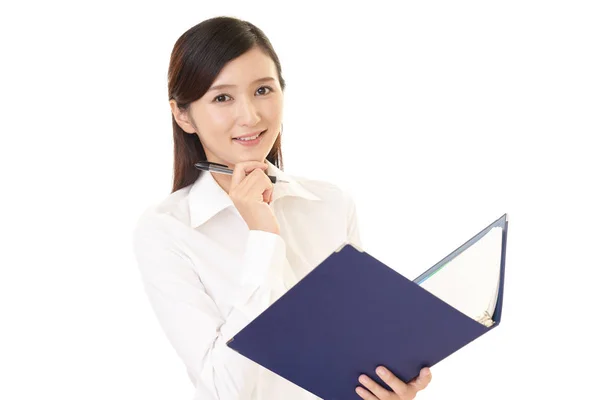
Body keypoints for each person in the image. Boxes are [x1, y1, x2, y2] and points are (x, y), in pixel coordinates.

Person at [132, 16, 432, 400]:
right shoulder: (167, 230)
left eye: (263, 90)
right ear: (183, 114)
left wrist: (390, 385)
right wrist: (262, 235)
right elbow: (227, 389)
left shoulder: (331, 203)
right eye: (222, 97)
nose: (251, 116)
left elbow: (357, 351)